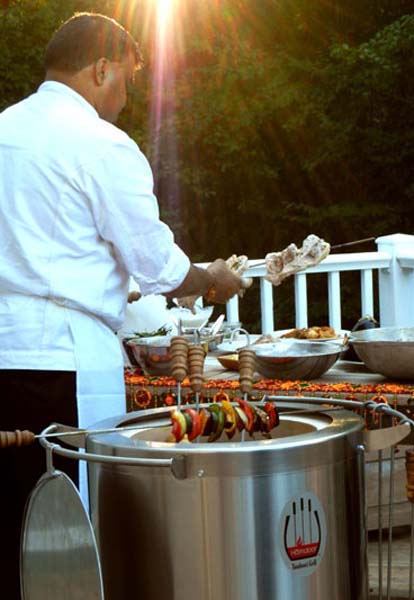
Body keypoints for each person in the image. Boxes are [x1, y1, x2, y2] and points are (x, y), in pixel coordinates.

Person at [0, 12, 243, 599]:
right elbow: (158, 265)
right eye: (126, 81)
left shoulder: (4, 128)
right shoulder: (101, 143)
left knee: (8, 533)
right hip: (61, 364)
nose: (128, 97)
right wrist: (211, 278)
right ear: (100, 67)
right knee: (71, 536)